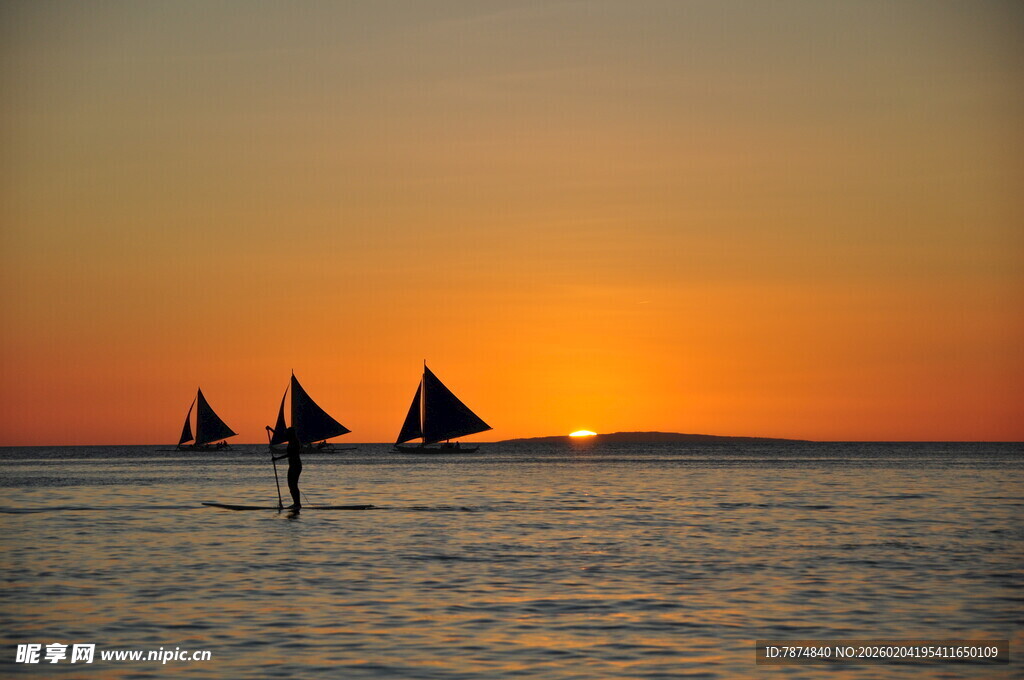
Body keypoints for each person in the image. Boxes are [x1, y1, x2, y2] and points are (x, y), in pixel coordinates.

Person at [272, 427, 303, 509]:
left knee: (293, 485)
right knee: (291, 485)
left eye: (288, 432)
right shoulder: (291, 440)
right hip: (292, 466)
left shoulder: (295, 442)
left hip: (296, 466)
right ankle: (296, 503)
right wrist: (271, 430)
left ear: (291, 434)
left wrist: (277, 458)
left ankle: (297, 504)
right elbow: (280, 436)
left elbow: (290, 454)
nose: (287, 434)